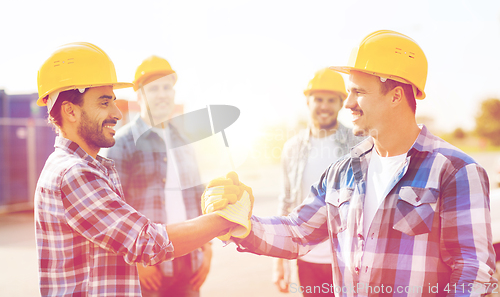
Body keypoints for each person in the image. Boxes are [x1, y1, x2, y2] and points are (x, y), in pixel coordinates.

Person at [204, 30, 497, 296]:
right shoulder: (342, 171)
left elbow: (474, 271)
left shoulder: (455, 171)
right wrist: (243, 224)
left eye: (359, 92)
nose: (348, 104)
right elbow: (298, 231)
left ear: (396, 96)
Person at [34, 42, 249, 297]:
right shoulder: (74, 174)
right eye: (104, 103)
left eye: (113, 101)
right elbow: (143, 241)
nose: (116, 112)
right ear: (70, 111)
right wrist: (226, 219)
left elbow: (192, 195)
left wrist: (206, 243)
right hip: (153, 267)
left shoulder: (86, 166)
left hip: (184, 262)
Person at [103, 55, 212, 297]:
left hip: (188, 262)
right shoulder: (122, 143)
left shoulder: (185, 141)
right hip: (148, 266)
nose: (162, 94)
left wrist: (208, 249)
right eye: (153, 89)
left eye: (166, 87)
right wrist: (135, 262)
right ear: (140, 96)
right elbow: (112, 210)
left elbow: (199, 198)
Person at [273, 68, 362, 296]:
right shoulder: (292, 148)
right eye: (319, 99)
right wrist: (279, 261)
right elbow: (286, 203)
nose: (324, 106)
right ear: (308, 101)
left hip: (350, 257)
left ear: (342, 102)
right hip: (308, 257)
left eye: (332, 100)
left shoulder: (359, 142)